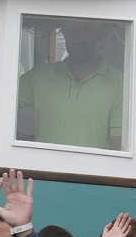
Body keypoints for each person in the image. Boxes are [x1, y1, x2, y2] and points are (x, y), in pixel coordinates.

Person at [16, 18, 124, 150]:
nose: (79, 38)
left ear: (99, 34)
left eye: (86, 31)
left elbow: (117, 146)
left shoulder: (118, 83)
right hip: (44, 170)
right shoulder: (38, 77)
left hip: (93, 170)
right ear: (65, 33)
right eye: (72, 31)